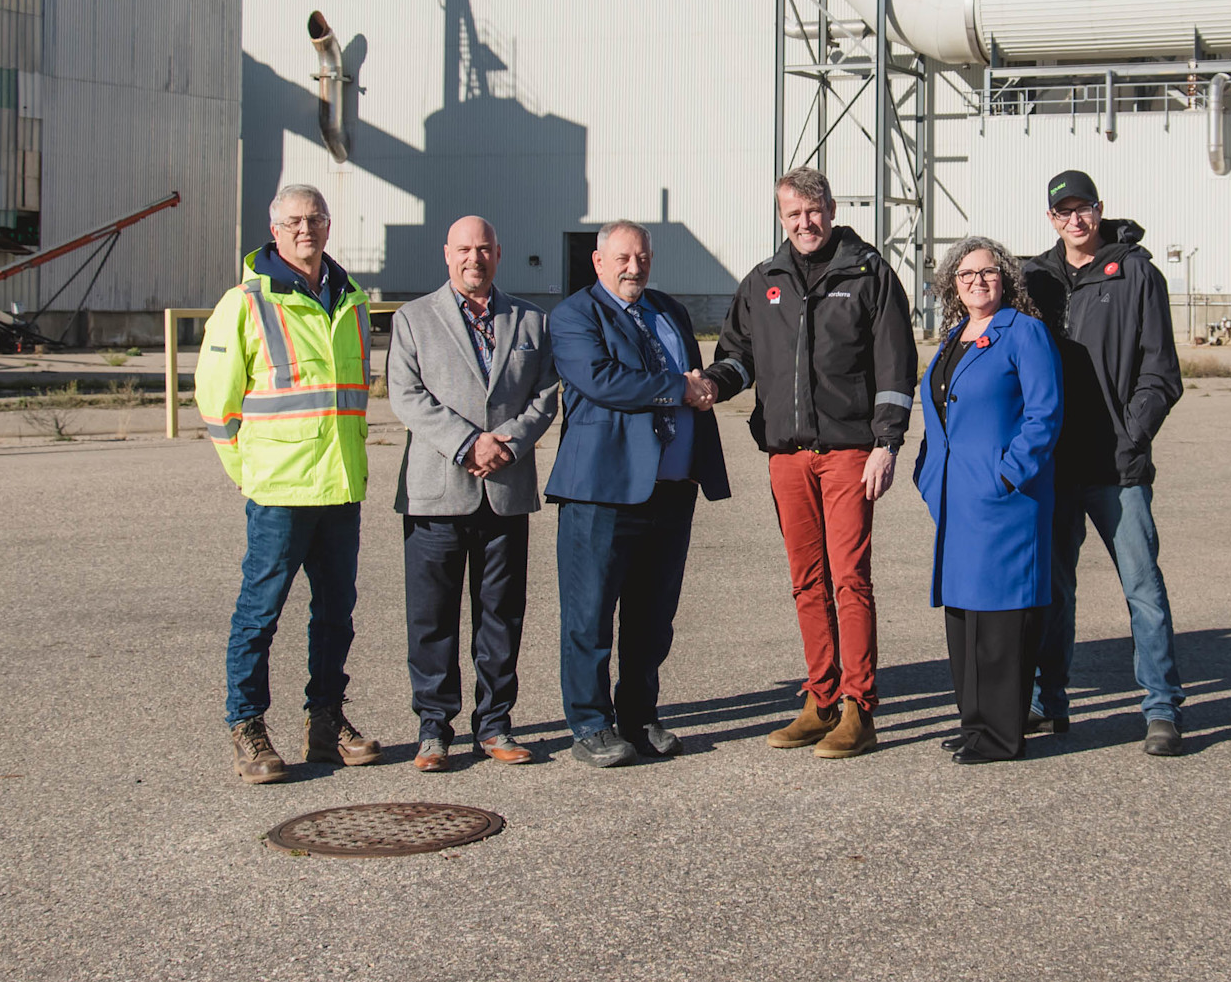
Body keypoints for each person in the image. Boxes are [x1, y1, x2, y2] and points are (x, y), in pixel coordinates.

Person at [707, 168, 917, 760]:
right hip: (788, 455)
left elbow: (896, 367)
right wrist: (714, 387)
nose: (806, 222)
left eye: (815, 210)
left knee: (849, 579)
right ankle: (820, 698)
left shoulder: (869, 272)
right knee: (806, 581)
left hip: (850, 452)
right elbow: (737, 356)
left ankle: (859, 707)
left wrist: (887, 441)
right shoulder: (762, 281)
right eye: (793, 214)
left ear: (831, 207)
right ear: (781, 217)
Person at [198, 183, 383, 785]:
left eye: (317, 219)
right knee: (260, 614)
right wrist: (250, 474)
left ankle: (326, 721)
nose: (307, 229)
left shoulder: (352, 300)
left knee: (337, 615)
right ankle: (247, 726)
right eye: (295, 221)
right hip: (279, 492)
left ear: (329, 227)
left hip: (339, 487)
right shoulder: (246, 303)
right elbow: (216, 405)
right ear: (274, 229)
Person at [543, 220, 731, 767]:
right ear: (598, 262)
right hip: (602, 490)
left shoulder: (668, 310)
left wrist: (704, 384)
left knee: (653, 615)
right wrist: (680, 387)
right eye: (623, 258)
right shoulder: (575, 315)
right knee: (590, 613)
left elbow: (694, 373)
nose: (634, 267)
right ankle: (589, 723)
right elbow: (601, 380)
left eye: (642, 257)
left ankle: (639, 715)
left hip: (670, 490)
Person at [1022, 169, 1189, 756]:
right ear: (1051, 219)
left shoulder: (1136, 271)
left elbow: (1160, 372)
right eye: (1063, 211)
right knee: (1053, 589)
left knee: (1142, 585)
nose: (1076, 220)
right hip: (1054, 465)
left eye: (1084, 208)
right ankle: (1049, 699)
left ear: (1099, 209)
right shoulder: (1033, 279)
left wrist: (1131, 435)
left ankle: (1162, 706)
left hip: (1117, 467)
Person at [385, 215, 561, 771]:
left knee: (501, 615)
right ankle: (434, 728)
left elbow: (547, 393)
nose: (473, 259)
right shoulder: (413, 319)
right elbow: (406, 395)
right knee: (432, 616)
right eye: (464, 249)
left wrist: (505, 443)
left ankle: (495, 723)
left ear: (498, 253)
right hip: (437, 492)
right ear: (447, 254)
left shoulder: (531, 320)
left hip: (505, 489)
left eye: (483, 249)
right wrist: (467, 445)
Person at [913, 237, 1062, 764]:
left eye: (988, 271)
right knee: (966, 621)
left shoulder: (1024, 333)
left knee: (1001, 622)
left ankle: (1001, 734)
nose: (977, 280)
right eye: (966, 273)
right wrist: (929, 475)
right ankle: (975, 724)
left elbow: (1045, 415)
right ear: (951, 284)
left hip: (1004, 502)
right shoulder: (954, 337)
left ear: (1006, 278)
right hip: (957, 500)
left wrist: (1008, 475)